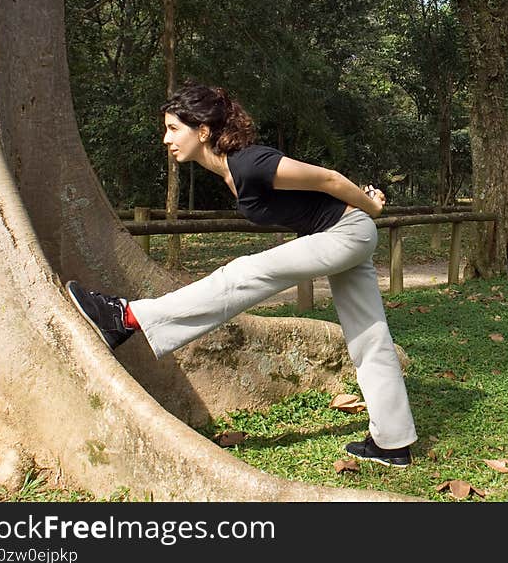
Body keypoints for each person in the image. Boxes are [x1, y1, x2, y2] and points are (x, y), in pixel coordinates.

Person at [66, 81, 417, 467]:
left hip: (345, 233)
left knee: (244, 272)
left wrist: (372, 207)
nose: (166, 139)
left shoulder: (250, 163)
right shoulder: (231, 170)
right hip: (344, 234)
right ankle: (392, 442)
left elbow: (329, 179)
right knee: (369, 334)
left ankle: (125, 317)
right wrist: (367, 207)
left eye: (173, 129)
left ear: (202, 131)